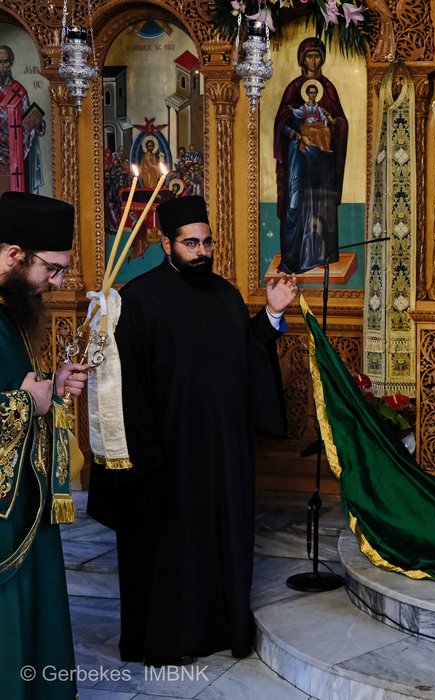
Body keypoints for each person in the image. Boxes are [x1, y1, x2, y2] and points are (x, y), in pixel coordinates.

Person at [87, 195, 297, 666]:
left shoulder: (225, 294)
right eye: (191, 244)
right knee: (169, 551)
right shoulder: (138, 300)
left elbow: (244, 355)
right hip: (166, 456)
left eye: (207, 243)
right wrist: (143, 457)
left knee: (219, 541)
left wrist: (271, 314)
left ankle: (222, 630)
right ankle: (168, 640)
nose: (202, 252)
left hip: (221, 454)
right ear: (167, 244)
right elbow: (121, 387)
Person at [0, 192, 87, 699]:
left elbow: (18, 382)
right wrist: (24, 403)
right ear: (15, 254)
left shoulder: (13, 305)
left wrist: (51, 388)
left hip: (24, 503)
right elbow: (15, 396)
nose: (56, 283)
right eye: (51, 270)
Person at [274, 37, 349, 274]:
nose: (313, 61)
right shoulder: (294, 88)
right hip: (298, 157)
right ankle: (293, 259)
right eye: (309, 56)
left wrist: (332, 124)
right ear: (302, 59)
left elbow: (340, 121)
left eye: (317, 56)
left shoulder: (328, 89)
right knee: (295, 203)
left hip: (322, 160)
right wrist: (298, 133)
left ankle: (320, 255)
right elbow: (282, 122)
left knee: (321, 204)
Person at [0, 46, 44, 193]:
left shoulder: (19, 91)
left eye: (6, 62)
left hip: (15, 151)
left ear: (11, 63)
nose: (2, 66)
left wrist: (37, 123)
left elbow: (27, 124)